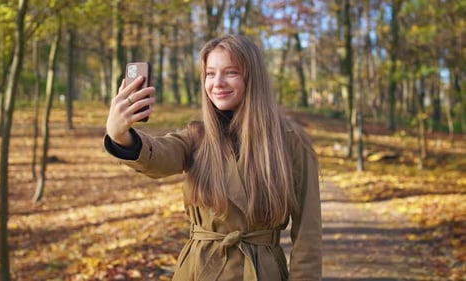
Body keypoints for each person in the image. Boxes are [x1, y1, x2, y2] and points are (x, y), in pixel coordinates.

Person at [104, 34, 322, 281]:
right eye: (210, 73)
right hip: (200, 269)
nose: (217, 83)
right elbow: (159, 154)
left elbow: (308, 234)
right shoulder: (196, 136)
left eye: (230, 72)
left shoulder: (291, 141)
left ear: (253, 78)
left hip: (262, 271)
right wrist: (120, 136)